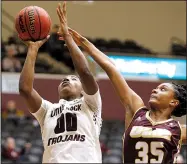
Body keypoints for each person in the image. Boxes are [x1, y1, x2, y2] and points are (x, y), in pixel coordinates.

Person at [66, 28, 187, 163]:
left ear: (173, 102)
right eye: (156, 88)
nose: (155, 90)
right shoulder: (136, 111)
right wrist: (83, 42)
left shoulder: (178, 129)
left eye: (162, 89)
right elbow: (111, 69)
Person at [18, 2, 102, 163]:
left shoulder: (91, 104)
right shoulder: (47, 110)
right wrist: (33, 49)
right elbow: (25, 90)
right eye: (64, 78)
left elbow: (84, 72)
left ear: (83, 90)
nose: (66, 79)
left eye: (73, 79)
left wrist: (68, 38)